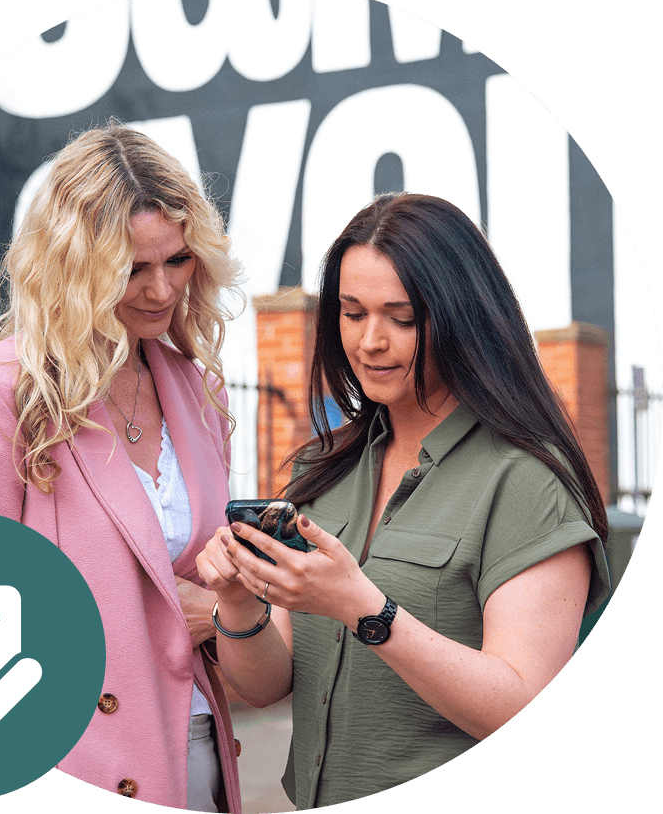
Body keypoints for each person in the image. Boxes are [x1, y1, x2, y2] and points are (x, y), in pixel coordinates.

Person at [197, 192, 610, 808]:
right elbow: (268, 683)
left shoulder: (525, 480)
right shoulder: (320, 468)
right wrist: (233, 599)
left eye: (403, 316)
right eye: (352, 312)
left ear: (462, 316)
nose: (371, 341)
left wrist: (364, 607)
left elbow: (525, 707)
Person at [0, 122, 244, 811]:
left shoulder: (198, 391)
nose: (162, 290)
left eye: (179, 260)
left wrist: (226, 609)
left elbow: (210, 585)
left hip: (196, 744)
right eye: (132, 269)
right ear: (75, 267)